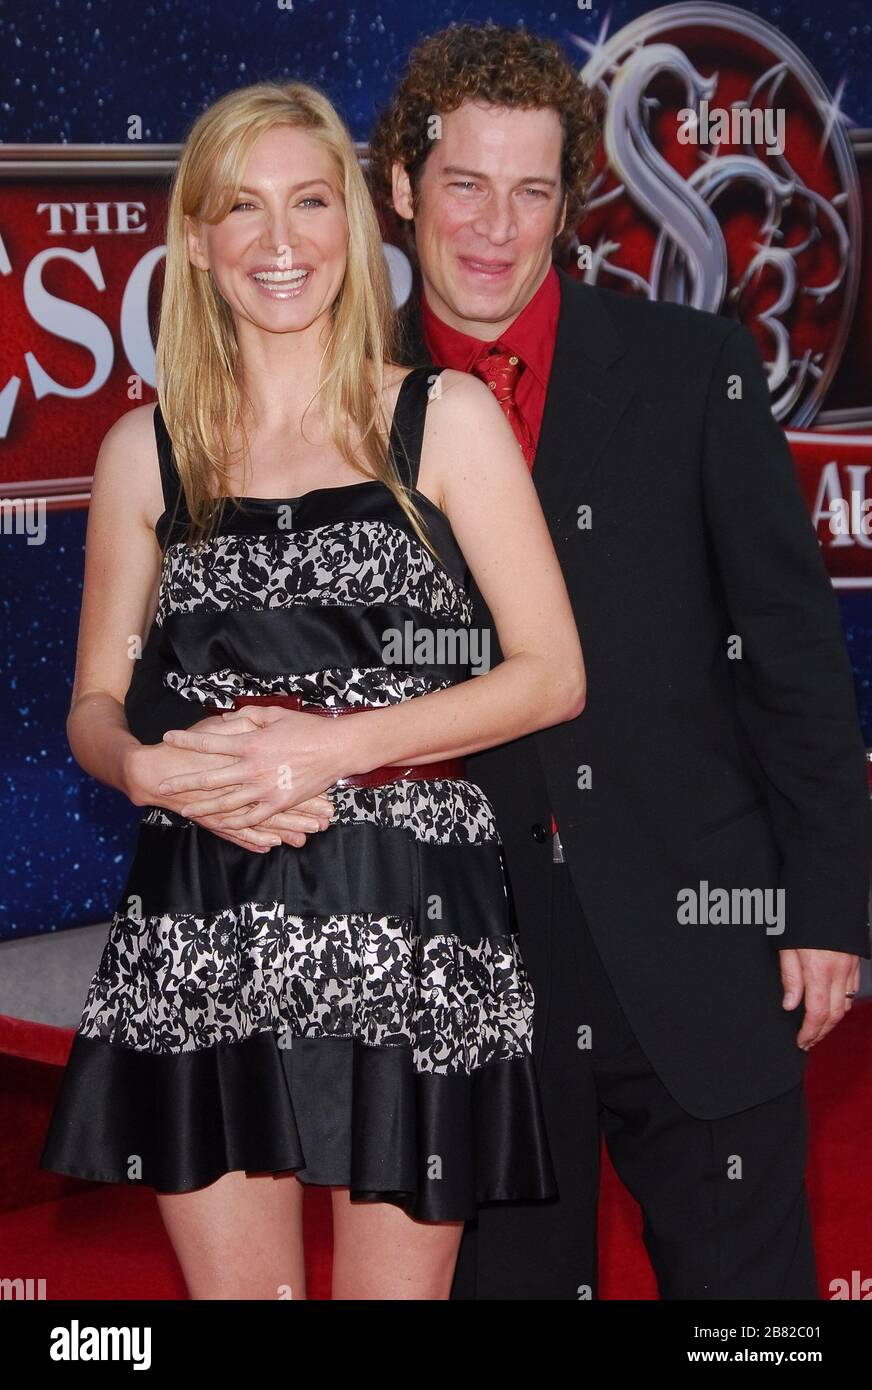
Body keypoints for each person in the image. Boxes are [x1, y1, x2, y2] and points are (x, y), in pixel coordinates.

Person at [39, 79, 587, 1301]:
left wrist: (329, 748)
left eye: (308, 203)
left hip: (412, 917)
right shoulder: (147, 449)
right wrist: (137, 765)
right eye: (242, 209)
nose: (280, 244)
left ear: (352, 221)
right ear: (195, 239)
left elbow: (552, 675)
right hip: (204, 913)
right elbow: (92, 704)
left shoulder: (441, 420)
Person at [367, 22, 871, 1300]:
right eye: (463, 185)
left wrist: (820, 905)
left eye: (530, 190)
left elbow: (794, 662)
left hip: (704, 940)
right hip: (464, 973)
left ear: (568, 206)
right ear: (399, 190)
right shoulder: (336, 402)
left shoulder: (688, 368)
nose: (494, 226)